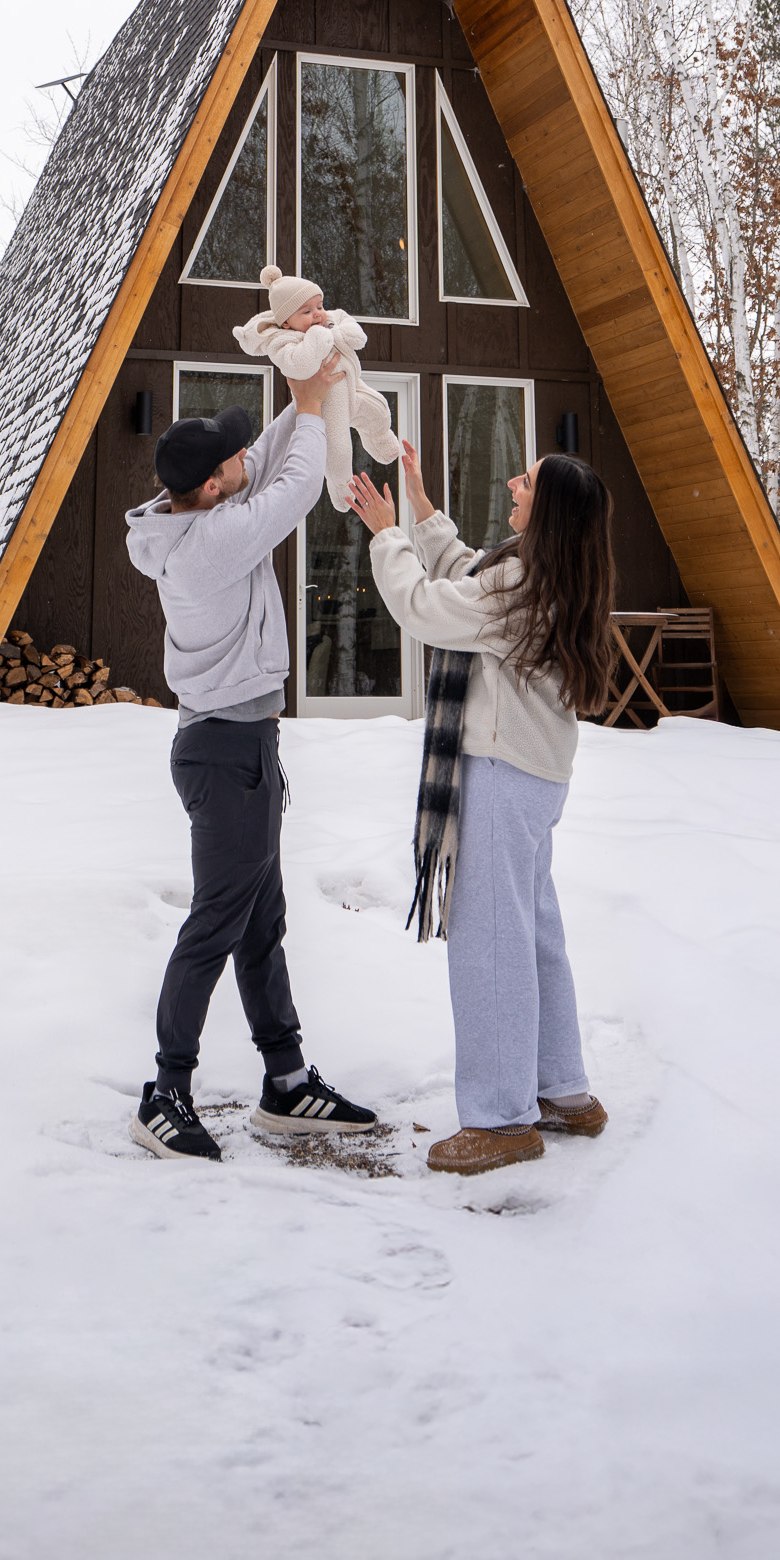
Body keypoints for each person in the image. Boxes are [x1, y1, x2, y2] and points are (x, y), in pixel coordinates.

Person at [124, 362, 379, 1162]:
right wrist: (307, 406)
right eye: (229, 463)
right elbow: (295, 484)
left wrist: (303, 381)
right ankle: (165, 1092)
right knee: (216, 926)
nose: (245, 461)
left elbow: (271, 455)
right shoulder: (207, 545)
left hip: (247, 747)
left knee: (260, 924)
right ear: (207, 488)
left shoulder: (206, 506)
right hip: (224, 753)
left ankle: (286, 1081)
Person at [347, 446, 616, 1178]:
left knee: (491, 943)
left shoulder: (523, 586)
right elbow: (470, 572)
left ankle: (502, 1120)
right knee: (532, 935)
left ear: (548, 510)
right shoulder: (553, 573)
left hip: (501, 776)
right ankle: (562, 1088)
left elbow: (429, 607)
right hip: (535, 777)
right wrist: (424, 508)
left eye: (525, 480)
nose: (511, 482)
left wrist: (385, 532)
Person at [232, 263, 399, 511]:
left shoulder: (329, 320)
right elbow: (299, 365)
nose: (319, 314)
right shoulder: (281, 341)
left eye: (319, 306)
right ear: (286, 322)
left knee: (379, 409)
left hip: (352, 388)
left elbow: (356, 333)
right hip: (328, 404)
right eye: (307, 311)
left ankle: (379, 440)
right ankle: (342, 490)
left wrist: (339, 333)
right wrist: (319, 338)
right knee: (338, 449)